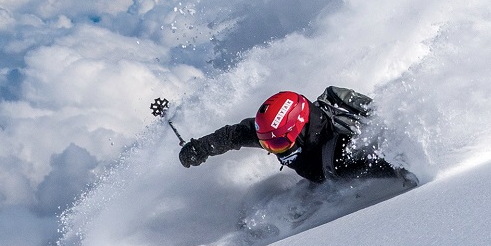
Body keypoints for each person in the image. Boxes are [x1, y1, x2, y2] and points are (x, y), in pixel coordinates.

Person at [178, 88, 418, 187]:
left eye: (277, 143)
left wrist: (402, 171)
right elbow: (234, 135)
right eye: (266, 144)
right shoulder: (274, 131)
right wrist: (200, 148)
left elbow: (372, 161)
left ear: (298, 128)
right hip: (318, 174)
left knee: (338, 171)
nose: (273, 150)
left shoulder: (340, 152)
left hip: (332, 173)